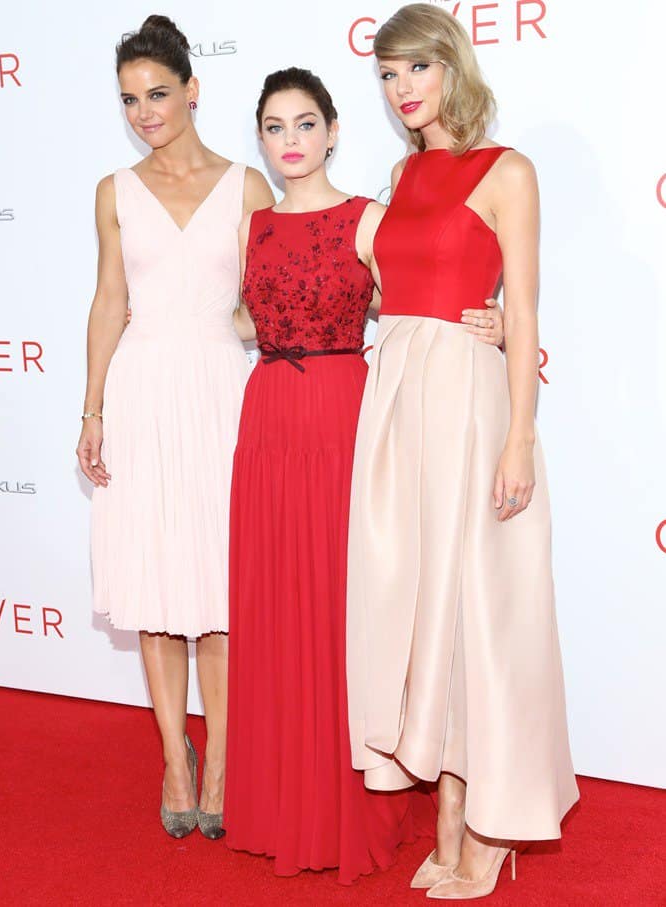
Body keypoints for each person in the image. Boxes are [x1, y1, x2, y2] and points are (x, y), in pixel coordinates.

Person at [224, 67, 504, 884]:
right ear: (263, 140)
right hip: (269, 418)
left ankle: (349, 808)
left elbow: (426, 293)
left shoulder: (369, 218)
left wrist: (499, 318)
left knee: (346, 613)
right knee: (275, 606)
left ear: (335, 130)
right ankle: (280, 808)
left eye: (305, 124)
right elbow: (242, 314)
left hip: (347, 416)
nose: (291, 142)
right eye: (274, 128)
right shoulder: (252, 226)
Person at [346, 4, 579, 899]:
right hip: (399, 405)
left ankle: (490, 823)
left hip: (475, 411)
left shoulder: (507, 171)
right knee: (423, 615)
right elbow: (390, 296)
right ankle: (446, 812)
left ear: (451, 67)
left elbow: (520, 312)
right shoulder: (400, 178)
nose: (404, 89)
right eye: (388, 76)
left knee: (482, 613)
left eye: (416, 69)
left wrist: (520, 436)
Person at [75, 15, 273, 840]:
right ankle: (174, 757)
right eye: (130, 100)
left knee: (218, 591)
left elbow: (269, 303)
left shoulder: (248, 187)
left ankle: (222, 760)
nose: (144, 111)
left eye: (158, 94)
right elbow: (110, 302)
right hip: (143, 389)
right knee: (156, 588)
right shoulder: (113, 191)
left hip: (224, 390)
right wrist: (91, 409)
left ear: (194, 90)